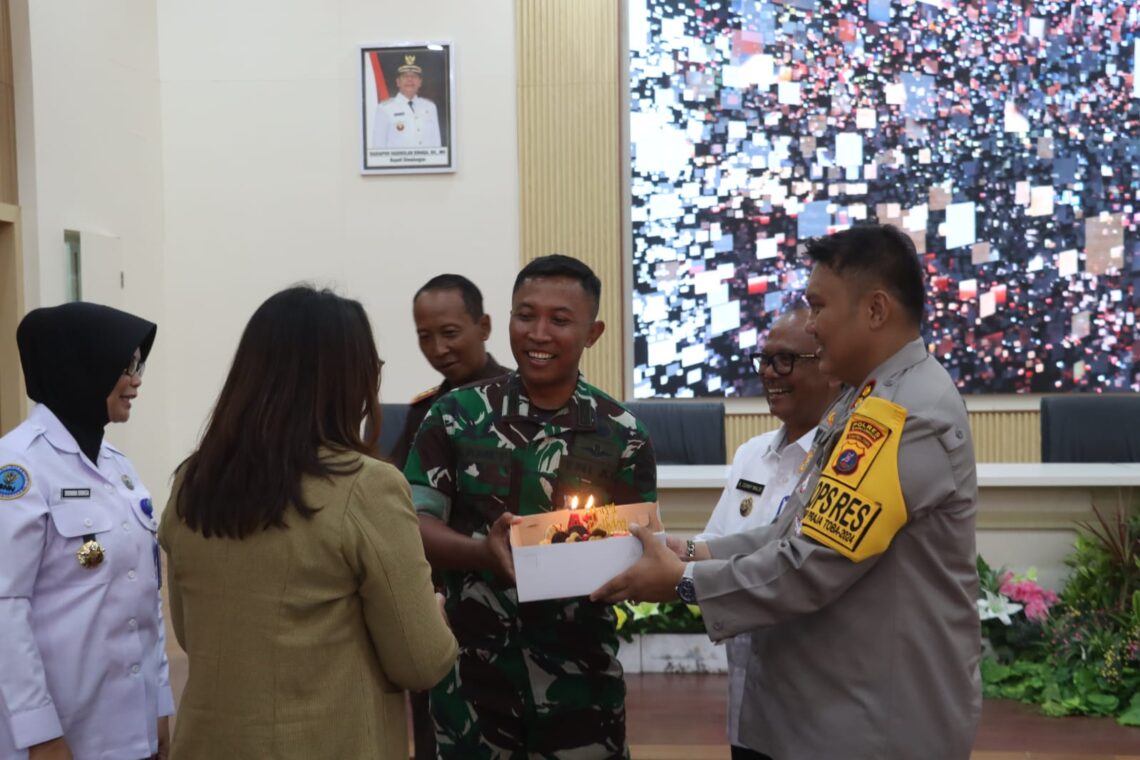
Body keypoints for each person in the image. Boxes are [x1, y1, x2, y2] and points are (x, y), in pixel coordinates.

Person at [594, 224, 981, 760]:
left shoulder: (904, 415)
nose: (813, 325)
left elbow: (810, 564)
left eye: (819, 306)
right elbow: (793, 527)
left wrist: (683, 582)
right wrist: (690, 551)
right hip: (828, 714)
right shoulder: (865, 399)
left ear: (874, 310)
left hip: (874, 726)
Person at [158, 286, 457, 760]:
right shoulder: (365, 486)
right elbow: (420, 662)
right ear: (348, 380)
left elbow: (196, 635)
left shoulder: (192, 479)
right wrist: (435, 611)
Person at [404, 254, 657, 759]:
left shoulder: (621, 434)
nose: (538, 333)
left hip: (579, 685)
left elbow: (638, 546)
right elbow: (411, 524)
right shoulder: (456, 415)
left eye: (560, 320)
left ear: (593, 332)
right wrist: (483, 553)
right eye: (526, 315)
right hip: (472, 684)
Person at [0, 303, 172, 760]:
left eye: (139, 364)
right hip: (59, 734)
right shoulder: (18, 467)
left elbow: (146, 594)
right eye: (125, 365)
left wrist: (159, 702)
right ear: (82, 363)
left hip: (131, 729)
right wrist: (39, 732)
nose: (136, 380)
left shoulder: (120, 470)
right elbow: (6, 610)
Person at [692, 306, 838, 759]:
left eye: (787, 360)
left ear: (830, 367)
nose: (771, 373)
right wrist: (657, 553)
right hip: (748, 699)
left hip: (818, 706)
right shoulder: (751, 455)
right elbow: (708, 549)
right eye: (765, 359)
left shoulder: (844, 461)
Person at [390, 274, 510, 470]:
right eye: (425, 336)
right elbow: (397, 485)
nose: (438, 349)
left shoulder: (522, 401)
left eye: (450, 333)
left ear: (484, 327)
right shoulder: (424, 412)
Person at [372, 56, 442, 149]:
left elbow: (437, 143)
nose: (410, 80)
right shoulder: (385, 109)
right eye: (405, 76)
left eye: (414, 76)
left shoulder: (430, 107)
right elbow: (378, 146)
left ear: (420, 82)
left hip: (426, 162)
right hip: (397, 162)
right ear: (398, 82)